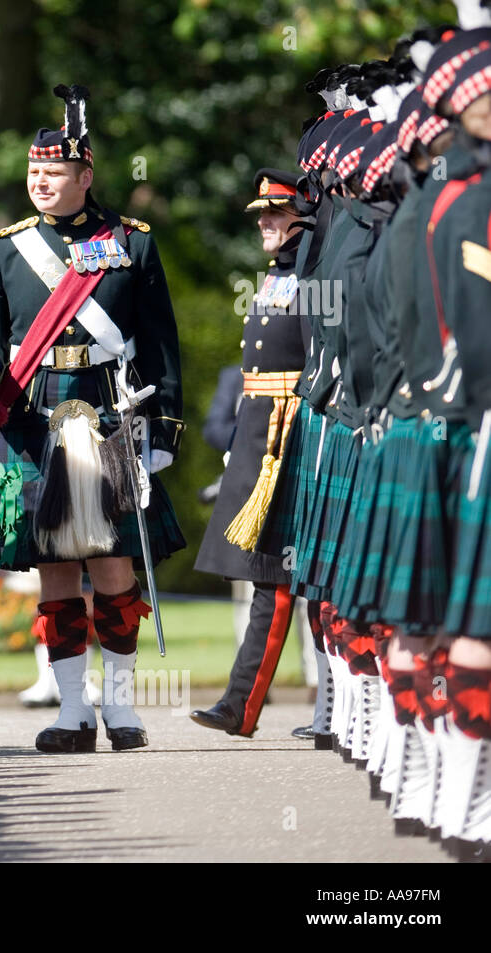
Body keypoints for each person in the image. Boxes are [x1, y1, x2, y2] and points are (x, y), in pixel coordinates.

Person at [0, 84, 185, 753]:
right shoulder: (8, 248)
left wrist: (163, 431)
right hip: (34, 417)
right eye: (33, 172)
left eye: (53, 172)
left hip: (110, 413)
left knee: (114, 563)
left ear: (85, 176)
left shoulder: (133, 245)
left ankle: (120, 707)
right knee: (55, 568)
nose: (39, 181)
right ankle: (70, 711)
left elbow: (162, 345)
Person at [191, 169, 315, 738]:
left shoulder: (314, 271)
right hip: (263, 432)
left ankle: (329, 709)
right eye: (262, 214)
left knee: (290, 576)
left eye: (275, 213)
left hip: (294, 435)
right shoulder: (281, 273)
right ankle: (241, 705)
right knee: (271, 576)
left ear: (303, 216)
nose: (264, 223)